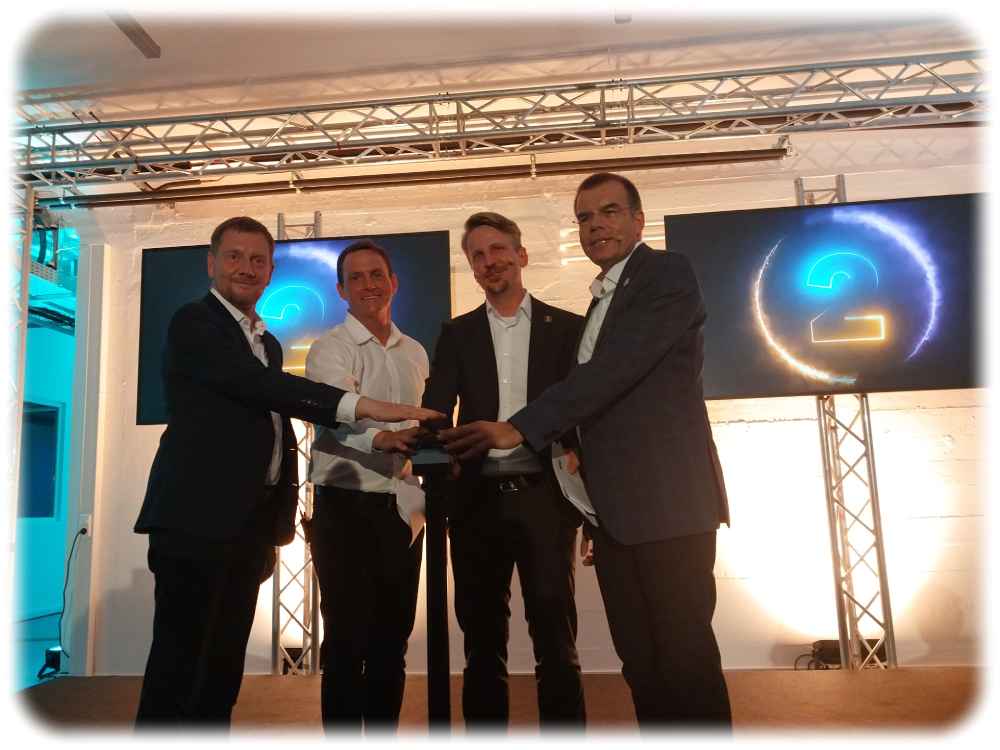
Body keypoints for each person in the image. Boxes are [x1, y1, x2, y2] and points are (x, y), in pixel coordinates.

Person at [439, 175, 733, 730]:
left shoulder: (665, 274)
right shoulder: (601, 299)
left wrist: (518, 429)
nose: (595, 225)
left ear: (638, 220)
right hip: (612, 513)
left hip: (667, 504)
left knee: (684, 658)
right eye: (584, 217)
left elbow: (613, 372)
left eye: (609, 211)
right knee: (642, 663)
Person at [133, 217, 442, 728]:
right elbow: (263, 389)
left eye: (258, 260)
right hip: (197, 520)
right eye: (234, 257)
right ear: (211, 264)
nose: (246, 268)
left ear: (271, 271)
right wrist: (370, 410)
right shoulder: (195, 323)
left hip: (254, 523)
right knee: (179, 664)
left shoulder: (269, 344)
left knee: (222, 667)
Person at [422, 212, 586, 731]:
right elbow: (435, 412)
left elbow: (582, 410)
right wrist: (441, 463)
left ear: (521, 255)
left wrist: (583, 472)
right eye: (478, 255)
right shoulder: (456, 333)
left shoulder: (569, 329)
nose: (489, 261)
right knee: (481, 643)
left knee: (556, 640)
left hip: (546, 499)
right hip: (476, 504)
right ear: (471, 268)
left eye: (498, 250)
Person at [303, 239, 428, 733]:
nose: (369, 285)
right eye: (356, 277)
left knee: (392, 643)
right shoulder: (329, 349)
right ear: (340, 290)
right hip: (345, 506)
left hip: (404, 509)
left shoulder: (415, 352)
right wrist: (384, 438)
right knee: (345, 643)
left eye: (377, 274)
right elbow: (336, 416)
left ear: (393, 282)